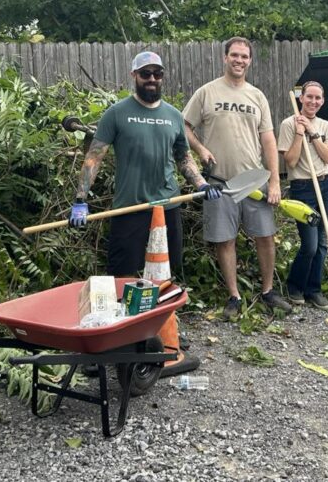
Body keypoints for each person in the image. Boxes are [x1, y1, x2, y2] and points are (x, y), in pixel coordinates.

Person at [69, 51, 218, 376]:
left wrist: (201, 183)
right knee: (121, 276)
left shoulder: (173, 115)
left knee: (164, 278)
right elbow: (95, 156)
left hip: (167, 208)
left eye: (157, 74)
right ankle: (112, 342)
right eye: (146, 73)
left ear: (162, 77)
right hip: (129, 208)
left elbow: (183, 158)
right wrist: (81, 197)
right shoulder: (117, 113)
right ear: (134, 75)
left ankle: (161, 335)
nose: (152, 79)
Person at [183, 36, 292, 321]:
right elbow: (184, 127)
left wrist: (274, 181)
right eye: (235, 55)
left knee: (266, 237)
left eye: (245, 56)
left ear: (250, 60)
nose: (239, 60)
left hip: (254, 181)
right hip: (219, 182)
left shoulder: (257, 96)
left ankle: (268, 291)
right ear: (225, 57)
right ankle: (234, 296)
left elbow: (268, 139)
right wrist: (201, 148)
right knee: (225, 240)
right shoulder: (206, 93)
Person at [277, 81, 328, 309]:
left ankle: (314, 289)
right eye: (309, 97)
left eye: (318, 98)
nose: (313, 101)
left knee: (323, 242)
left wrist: (313, 134)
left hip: (326, 185)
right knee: (310, 244)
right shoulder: (288, 123)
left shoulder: (325, 125)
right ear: (301, 98)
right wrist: (298, 134)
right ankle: (295, 285)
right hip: (303, 188)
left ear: (322, 101)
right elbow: (291, 161)